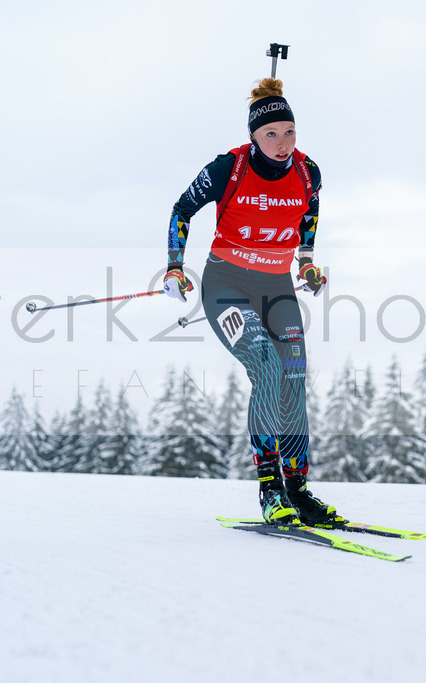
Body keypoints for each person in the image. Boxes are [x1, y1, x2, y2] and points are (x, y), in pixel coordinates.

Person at [162, 77, 342, 527]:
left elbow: (310, 215)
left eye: (290, 132)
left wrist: (306, 263)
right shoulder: (230, 168)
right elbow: (182, 209)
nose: (282, 144)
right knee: (266, 364)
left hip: (276, 286)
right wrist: (174, 267)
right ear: (254, 136)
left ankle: (298, 490)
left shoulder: (308, 173)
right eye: (271, 134)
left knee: (294, 375)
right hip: (226, 286)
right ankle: (270, 489)